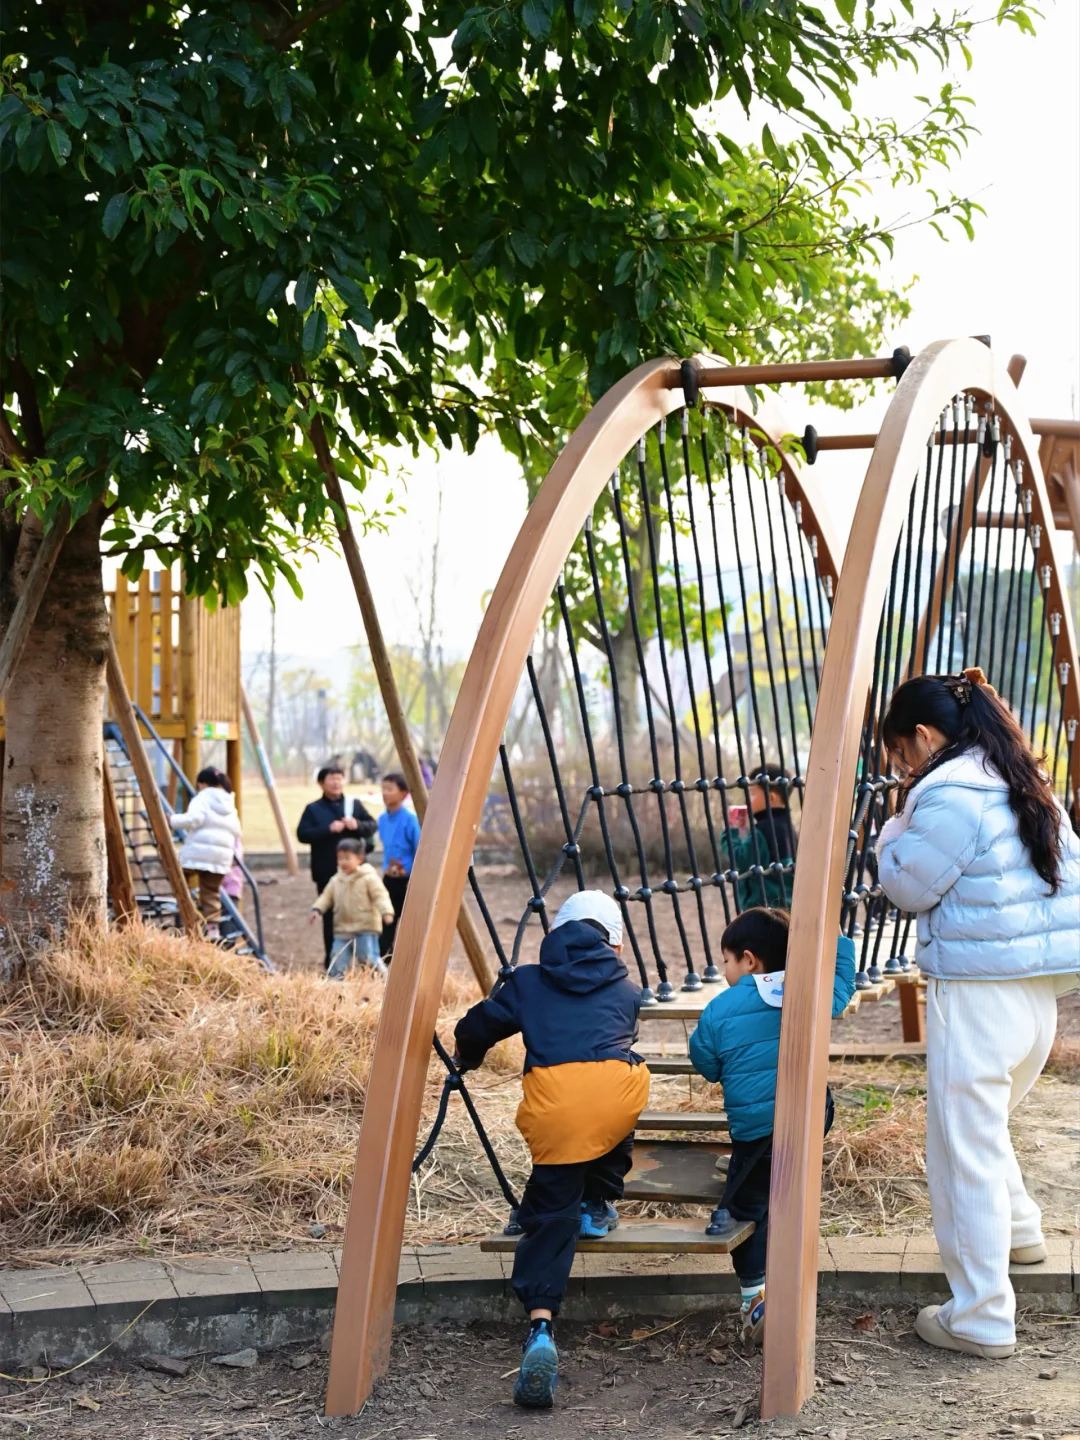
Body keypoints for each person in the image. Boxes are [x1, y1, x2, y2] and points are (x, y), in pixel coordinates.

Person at [877, 667, 1079, 1361]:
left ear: (925, 735)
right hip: (1037, 996)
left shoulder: (949, 794)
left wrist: (892, 827)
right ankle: (1020, 1230)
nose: (900, 768)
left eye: (900, 752)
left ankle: (981, 1317)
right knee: (985, 1131)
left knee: (960, 1153)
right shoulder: (1023, 779)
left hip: (977, 995)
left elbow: (908, 886)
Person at [453, 891, 649, 1410]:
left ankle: (541, 1327)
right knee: (620, 1095)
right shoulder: (628, 989)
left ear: (555, 935)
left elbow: (476, 1027)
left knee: (551, 1209)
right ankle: (598, 1203)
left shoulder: (527, 980)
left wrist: (466, 1058)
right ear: (614, 944)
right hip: (616, 1099)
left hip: (555, 1107)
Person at [688, 908, 855, 1345]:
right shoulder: (807, 993)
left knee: (746, 1210)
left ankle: (754, 1300)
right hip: (810, 1118)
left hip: (757, 1132)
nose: (725, 970)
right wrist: (837, 936)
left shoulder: (720, 1008)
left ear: (748, 960)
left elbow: (705, 1063)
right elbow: (842, 985)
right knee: (781, 1183)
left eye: (726, 961)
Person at [297, 765, 377, 967]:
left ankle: (365, 963)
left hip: (356, 874)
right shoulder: (313, 809)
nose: (336, 783)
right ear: (321, 783)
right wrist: (328, 829)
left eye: (339, 778)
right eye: (331, 779)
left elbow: (372, 825)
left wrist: (357, 825)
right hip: (326, 872)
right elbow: (302, 834)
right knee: (330, 917)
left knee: (360, 914)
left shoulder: (353, 805)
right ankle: (333, 963)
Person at [169, 767, 242, 941]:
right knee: (211, 892)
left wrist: (172, 820)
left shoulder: (202, 797)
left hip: (198, 852)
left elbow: (194, 819)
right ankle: (213, 929)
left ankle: (185, 910)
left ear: (202, 783)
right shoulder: (229, 802)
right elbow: (237, 830)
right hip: (221, 857)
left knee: (180, 878)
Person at [308, 838, 394, 979]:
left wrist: (386, 912)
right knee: (337, 957)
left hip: (365, 927)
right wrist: (317, 909)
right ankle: (335, 981)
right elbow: (325, 897)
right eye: (340, 858)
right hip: (343, 928)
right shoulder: (336, 880)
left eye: (347, 858)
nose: (343, 862)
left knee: (368, 957)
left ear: (359, 858)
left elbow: (381, 896)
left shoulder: (369, 878)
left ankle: (382, 979)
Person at [723, 763, 796, 909]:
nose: (747, 799)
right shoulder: (789, 826)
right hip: (787, 905)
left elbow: (741, 857)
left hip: (763, 907)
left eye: (752, 793)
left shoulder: (762, 830)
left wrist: (731, 832)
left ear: (771, 797)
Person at [377, 772, 421, 960]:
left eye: (390, 789)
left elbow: (419, 849)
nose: (385, 793)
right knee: (386, 920)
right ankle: (385, 960)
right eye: (383, 789)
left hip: (408, 880)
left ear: (403, 794)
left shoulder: (410, 820)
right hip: (389, 878)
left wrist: (415, 878)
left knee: (410, 923)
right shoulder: (382, 819)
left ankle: (409, 960)